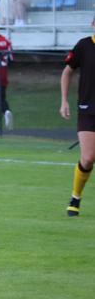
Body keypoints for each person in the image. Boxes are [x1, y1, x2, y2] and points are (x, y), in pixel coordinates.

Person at [60, 16, 95, 217]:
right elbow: (67, 73)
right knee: (88, 157)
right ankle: (76, 197)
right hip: (88, 109)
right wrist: (64, 101)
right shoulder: (84, 46)